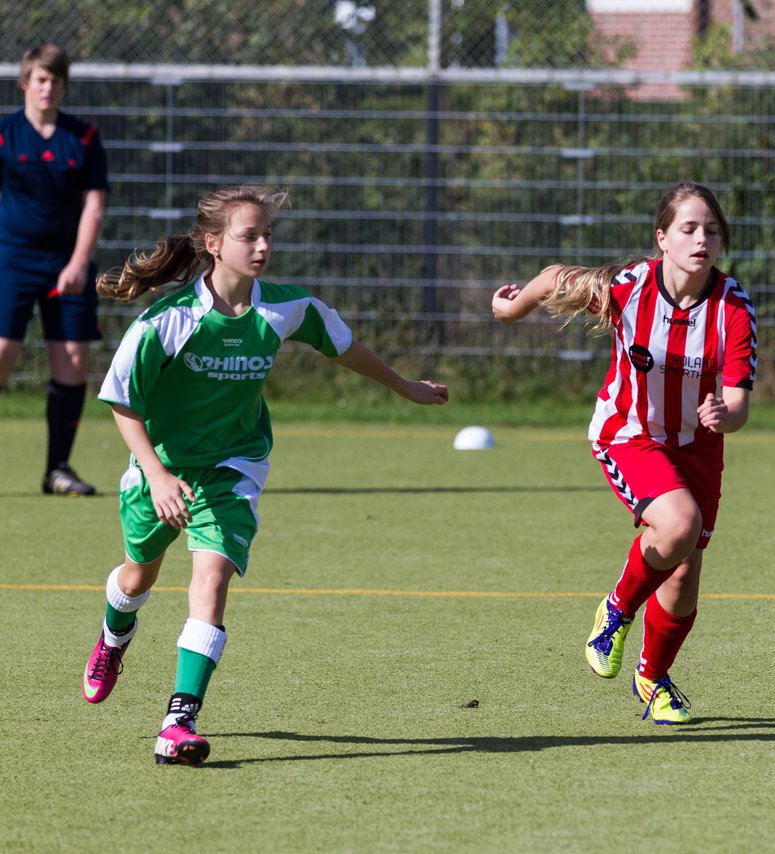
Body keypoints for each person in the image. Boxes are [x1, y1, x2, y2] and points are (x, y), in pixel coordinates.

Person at [81, 184, 448, 765]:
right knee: (136, 577)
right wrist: (154, 475)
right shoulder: (167, 321)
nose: (262, 246)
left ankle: (179, 720)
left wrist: (408, 387)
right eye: (248, 235)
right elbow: (121, 400)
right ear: (213, 243)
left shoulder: (285, 307)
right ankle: (112, 637)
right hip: (163, 468)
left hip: (234, 464)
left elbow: (346, 348)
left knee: (213, 579)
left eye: (267, 235)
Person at [491, 182, 756, 724]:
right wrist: (511, 310)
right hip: (628, 433)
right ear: (662, 239)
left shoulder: (732, 307)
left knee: (683, 577)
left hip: (698, 449)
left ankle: (652, 679)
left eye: (710, 229)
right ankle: (615, 612)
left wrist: (726, 415)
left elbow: (738, 401)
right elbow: (553, 278)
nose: (701, 238)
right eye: (688, 228)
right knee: (679, 526)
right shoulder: (631, 287)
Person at [0, 44, 109, 495]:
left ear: (64, 86)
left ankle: (58, 469)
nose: (48, 88)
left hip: (67, 266)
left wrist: (79, 262)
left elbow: (94, 204)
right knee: (2, 354)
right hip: (10, 259)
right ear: (26, 82)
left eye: (56, 81)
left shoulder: (83, 138)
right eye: (40, 79)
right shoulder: (4, 134)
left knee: (73, 363)